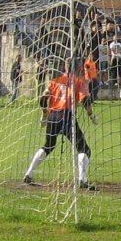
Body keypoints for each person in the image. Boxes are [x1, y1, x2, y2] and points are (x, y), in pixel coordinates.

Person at [23, 58, 99, 189]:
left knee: (48, 146)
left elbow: (43, 99)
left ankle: (29, 174)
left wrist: (45, 114)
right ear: (78, 68)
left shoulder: (55, 81)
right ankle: (82, 179)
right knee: (84, 148)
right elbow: (85, 101)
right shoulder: (79, 81)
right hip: (67, 116)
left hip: (53, 116)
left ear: (65, 67)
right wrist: (92, 116)